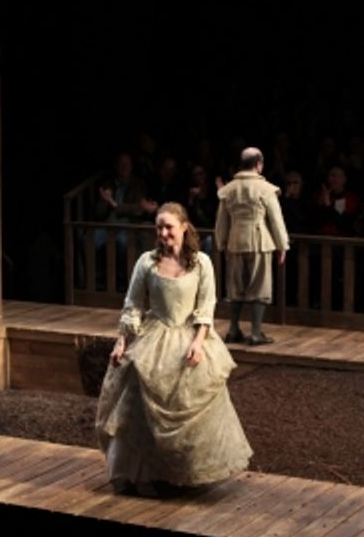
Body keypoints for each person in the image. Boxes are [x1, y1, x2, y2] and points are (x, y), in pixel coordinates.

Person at [96, 202, 252, 495]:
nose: (163, 232)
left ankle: (175, 475)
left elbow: (206, 306)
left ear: (184, 227)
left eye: (169, 226)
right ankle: (141, 476)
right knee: (138, 410)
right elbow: (133, 305)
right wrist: (121, 341)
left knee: (186, 405)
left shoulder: (201, 262)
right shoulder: (147, 262)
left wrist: (198, 341)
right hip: (152, 337)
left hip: (186, 336)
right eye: (159, 227)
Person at [215, 147, 290, 346]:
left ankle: (233, 329)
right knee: (259, 286)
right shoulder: (265, 189)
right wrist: (282, 245)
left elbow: (221, 221)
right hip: (259, 241)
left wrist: (221, 243)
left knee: (235, 287)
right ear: (258, 164)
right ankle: (256, 332)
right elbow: (276, 219)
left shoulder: (229, 188)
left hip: (234, 241)